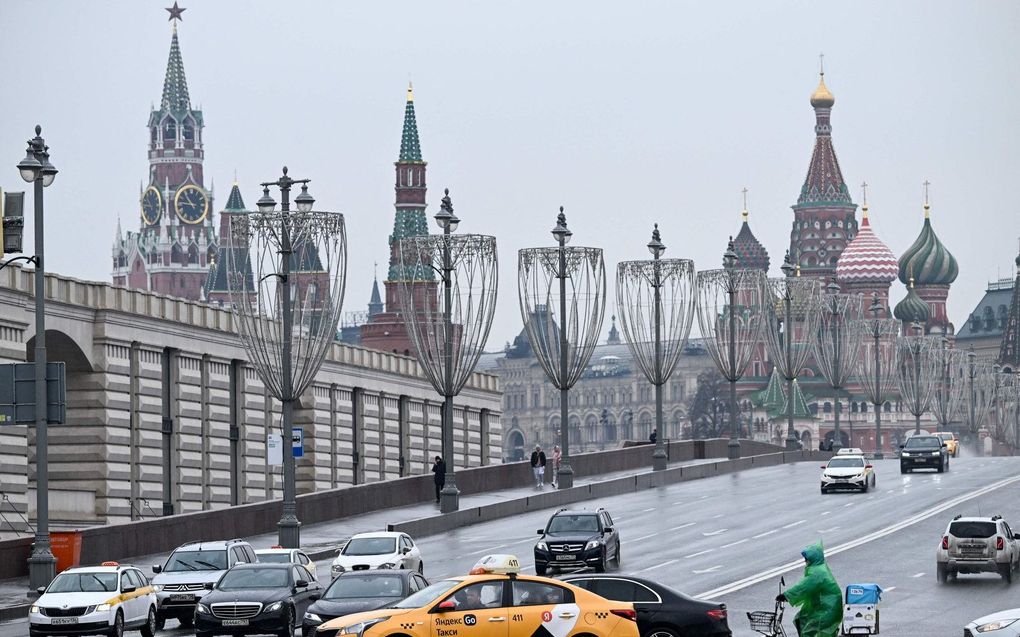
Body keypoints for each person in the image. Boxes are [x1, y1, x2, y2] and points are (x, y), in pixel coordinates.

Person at [776, 541, 842, 637]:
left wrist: (786, 595)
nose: (805, 561)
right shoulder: (818, 568)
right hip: (824, 607)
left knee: (809, 631)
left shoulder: (817, 572)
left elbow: (804, 587)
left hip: (827, 609)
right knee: (801, 618)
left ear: (813, 559)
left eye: (807, 559)